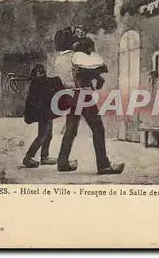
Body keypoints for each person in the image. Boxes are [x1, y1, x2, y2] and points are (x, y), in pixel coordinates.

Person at [50, 26, 124, 174]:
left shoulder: (58, 59)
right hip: (83, 94)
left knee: (71, 129)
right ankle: (103, 165)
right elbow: (94, 68)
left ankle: (62, 161)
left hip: (69, 95)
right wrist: (98, 74)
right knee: (98, 128)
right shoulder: (76, 56)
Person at [22, 63, 64, 168]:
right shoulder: (36, 85)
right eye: (39, 72)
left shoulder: (43, 82)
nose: (41, 74)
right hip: (43, 114)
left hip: (47, 113)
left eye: (42, 72)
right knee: (42, 136)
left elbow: (52, 82)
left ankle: (44, 157)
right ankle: (28, 157)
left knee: (48, 135)